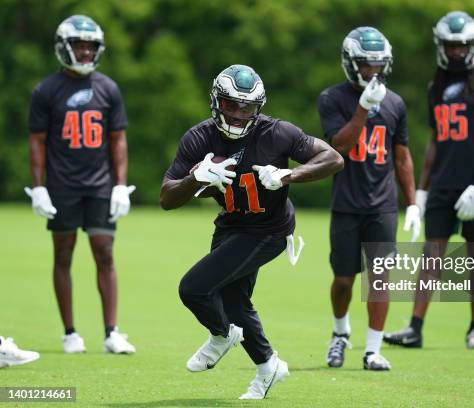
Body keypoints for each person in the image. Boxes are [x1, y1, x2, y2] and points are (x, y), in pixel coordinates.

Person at [160, 64, 343, 399]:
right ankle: (269, 366)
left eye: (248, 107)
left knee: (193, 289)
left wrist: (290, 176)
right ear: (217, 101)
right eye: (231, 105)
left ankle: (220, 335)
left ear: (259, 107)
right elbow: (167, 198)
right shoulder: (199, 137)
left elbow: (333, 158)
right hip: (231, 224)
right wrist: (194, 179)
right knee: (235, 302)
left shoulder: (277, 132)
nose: (239, 114)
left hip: (269, 230)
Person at [384, 11, 474, 351]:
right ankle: (415, 327)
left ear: (473, 46)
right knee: (431, 255)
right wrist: (421, 190)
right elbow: (436, 141)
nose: (456, 52)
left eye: (461, 45)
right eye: (450, 45)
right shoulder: (435, 87)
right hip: (442, 184)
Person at [27, 15, 136, 354]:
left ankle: (111, 332)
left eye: (91, 46)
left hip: (100, 185)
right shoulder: (46, 90)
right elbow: (37, 141)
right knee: (63, 254)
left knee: (105, 252)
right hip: (62, 185)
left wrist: (120, 184)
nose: (86, 51)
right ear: (64, 47)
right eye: (80, 45)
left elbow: (118, 140)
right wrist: (39, 186)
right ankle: (70, 332)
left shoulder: (108, 88)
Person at [318, 26, 421, 371]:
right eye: (366, 64)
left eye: (378, 65)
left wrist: (413, 202)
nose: (372, 72)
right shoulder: (332, 98)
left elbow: (402, 156)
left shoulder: (395, 103)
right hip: (346, 204)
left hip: (382, 205)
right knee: (344, 280)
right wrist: (362, 109)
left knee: (379, 279)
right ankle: (339, 333)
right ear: (350, 63)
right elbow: (338, 148)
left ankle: (372, 350)